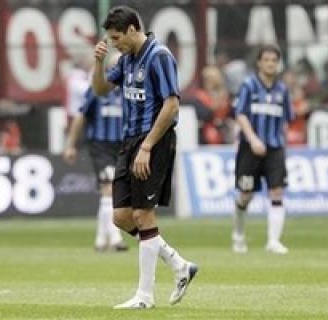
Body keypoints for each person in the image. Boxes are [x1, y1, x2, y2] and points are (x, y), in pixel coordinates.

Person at [92, 6, 198, 309]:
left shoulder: (159, 56)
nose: (114, 44)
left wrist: (148, 146)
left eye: (116, 38)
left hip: (154, 141)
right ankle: (179, 266)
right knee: (121, 217)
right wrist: (98, 63)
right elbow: (99, 90)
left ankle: (144, 296)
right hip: (129, 141)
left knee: (143, 214)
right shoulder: (125, 60)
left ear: (131, 29)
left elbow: (172, 106)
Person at [232, 45, 294, 255]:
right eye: (266, 60)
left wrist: (283, 143)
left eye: (274, 60)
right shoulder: (249, 85)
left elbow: (286, 119)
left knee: (277, 191)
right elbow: (240, 114)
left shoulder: (283, 90)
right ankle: (238, 233)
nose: (270, 64)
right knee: (245, 194)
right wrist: (253, 139)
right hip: (250, 148)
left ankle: (273, 241)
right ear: (259, 62)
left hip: (275, 147)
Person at [63, 53, 128, 252]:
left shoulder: (129, 89)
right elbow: (81, 116)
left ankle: (101, 240)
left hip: (123, 145)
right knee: (109, 188)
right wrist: (70, 144)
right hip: (101, 145)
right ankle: (116, 239)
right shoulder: (97, 88)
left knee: (113, 192)